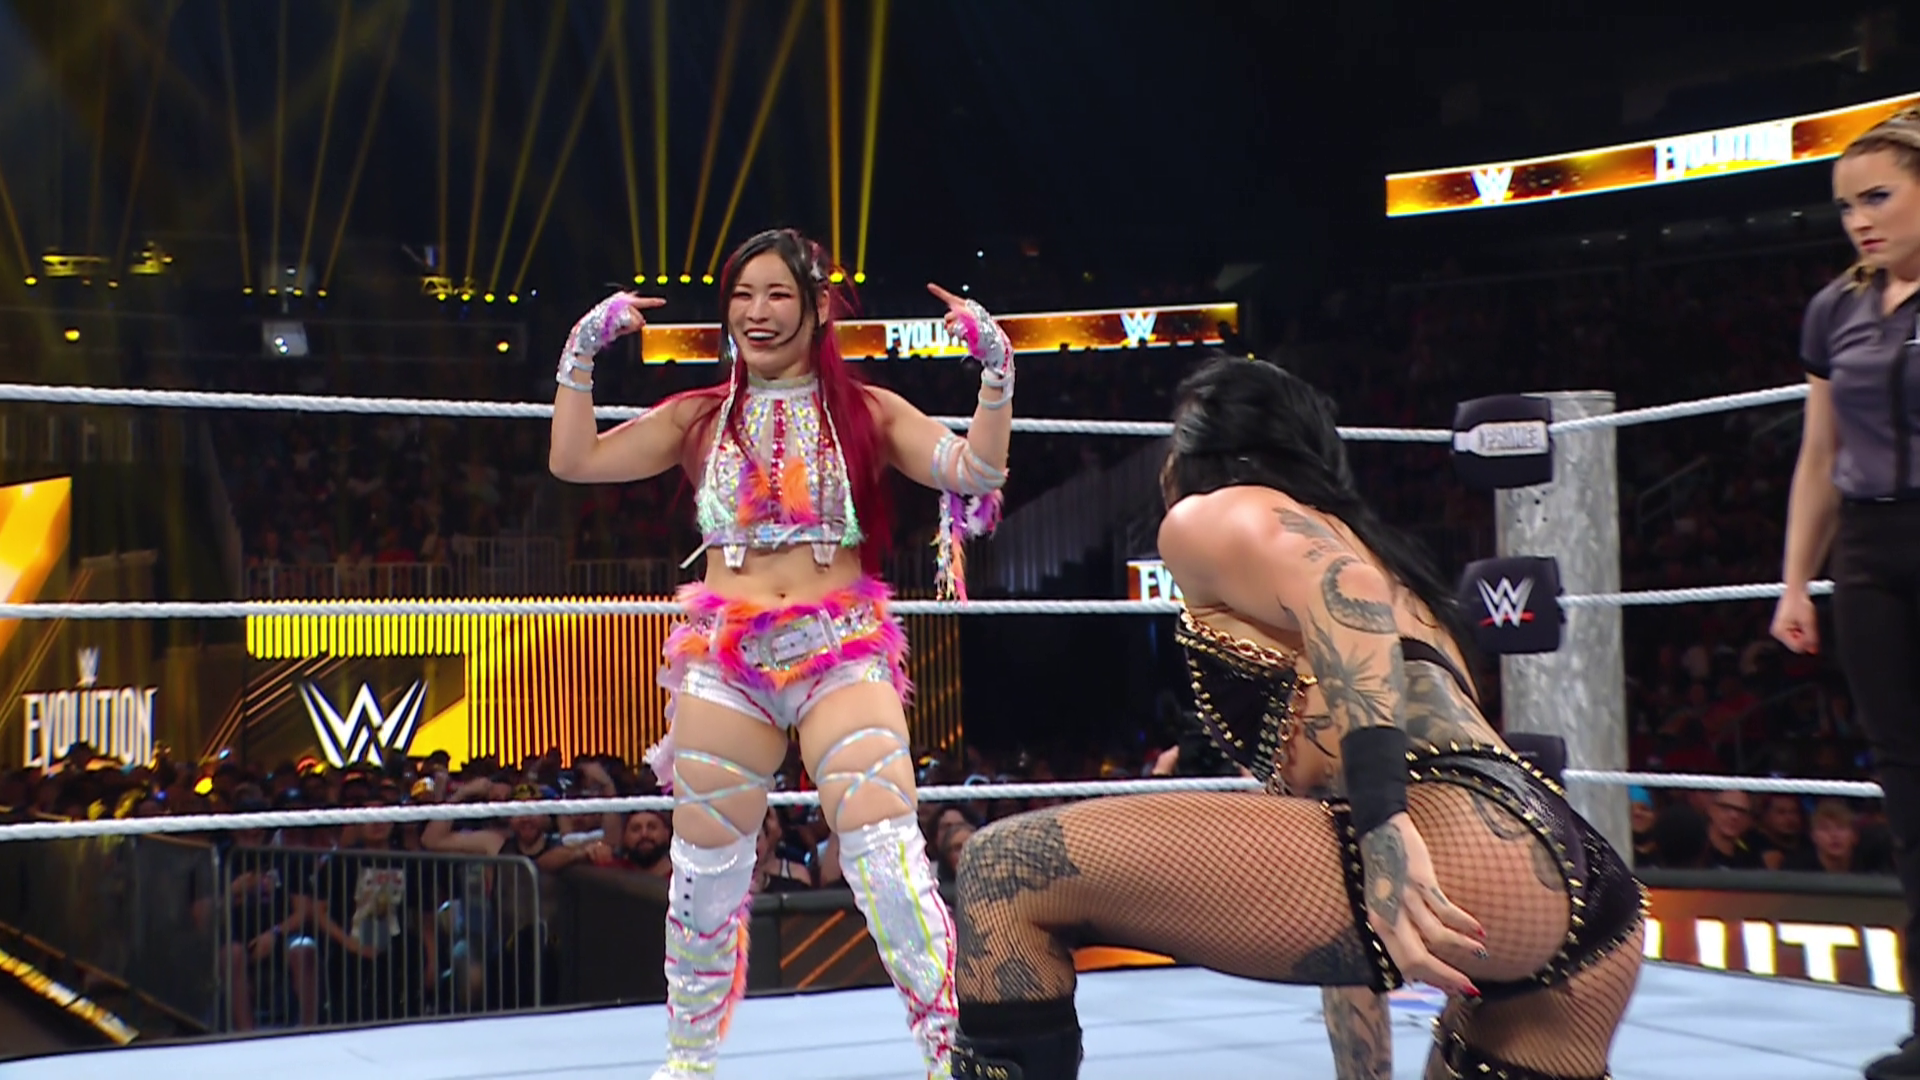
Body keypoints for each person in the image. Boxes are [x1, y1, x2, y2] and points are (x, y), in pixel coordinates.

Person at [947, 355, 1646, 1080]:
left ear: (1196, 449)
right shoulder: (1386, 564)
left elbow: (1346, 589)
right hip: (1582, 907)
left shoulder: (1216, 515)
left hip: (1462, 836)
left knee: (1003, 870)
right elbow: (1344, 907)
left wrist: (1384, 823)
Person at [547, 227, 1014, 1080]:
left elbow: (976, 471)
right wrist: (581, 355)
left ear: (818, 307)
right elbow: (575, 461)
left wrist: (995, 371)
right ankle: (689, 1059)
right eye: (741, 295)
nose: (756, 313)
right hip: (728, 659)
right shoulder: (699, 415)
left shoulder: (867, 410)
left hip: (841, 649)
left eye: (776, 295)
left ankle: (952, 1050)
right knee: (704, 876)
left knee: (886, 852)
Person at [1773, 105, 1920, 1080]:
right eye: (1845, 206)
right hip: (1868, 553)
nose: (1859, 220)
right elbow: (1820, 452)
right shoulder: (1836, 309)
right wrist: (1795, 581)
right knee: (1907, 790)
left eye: (1878, 197)